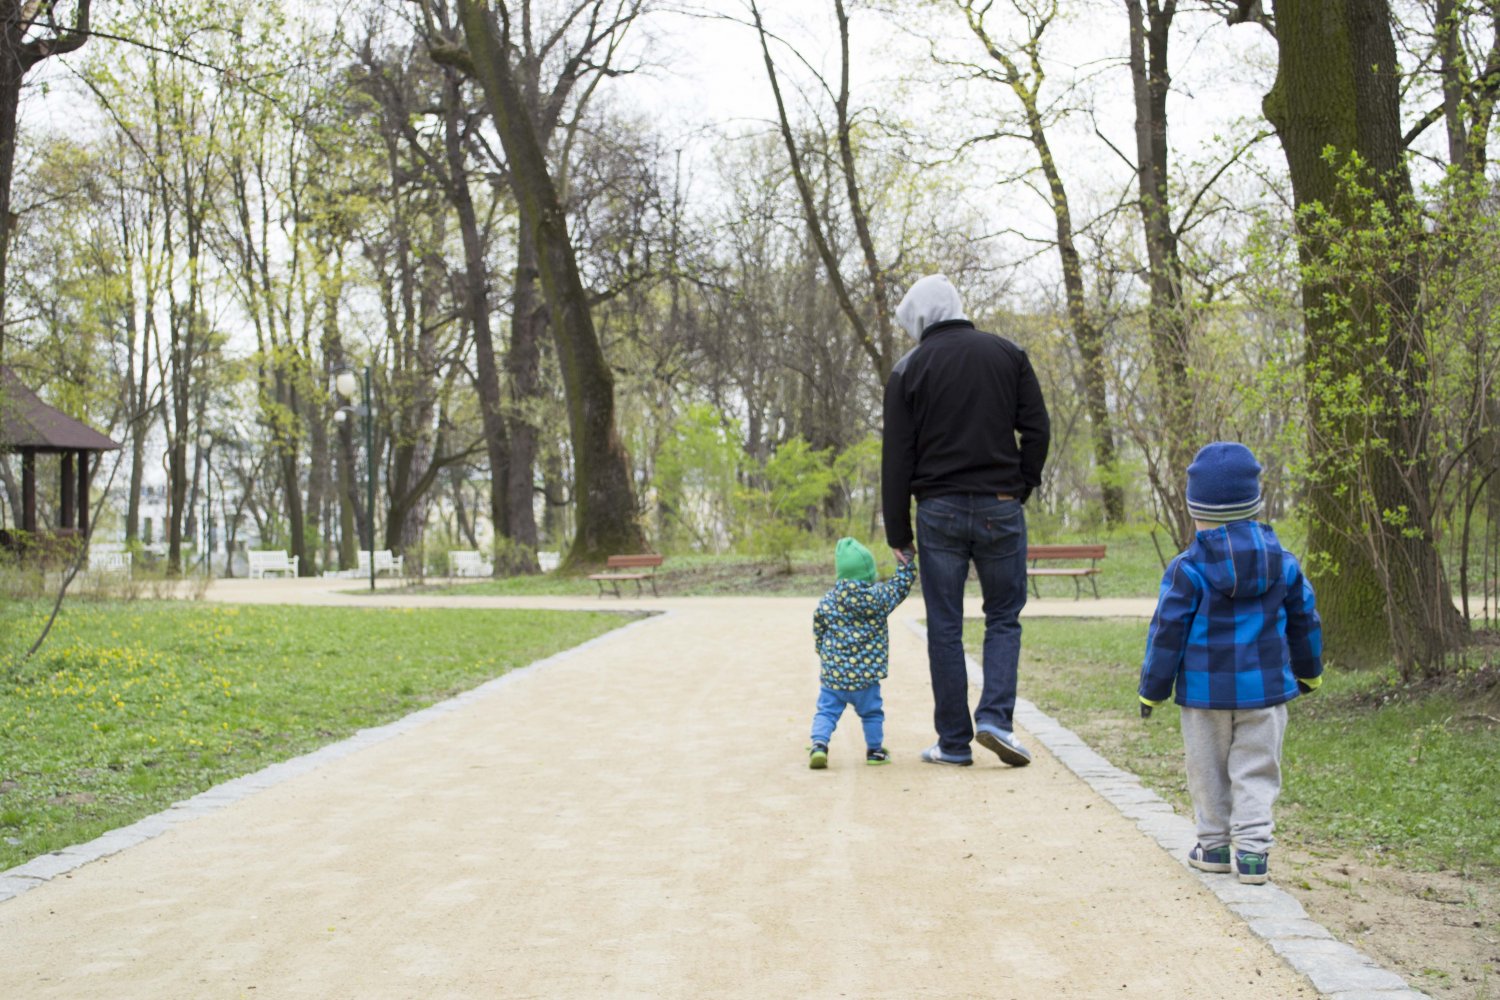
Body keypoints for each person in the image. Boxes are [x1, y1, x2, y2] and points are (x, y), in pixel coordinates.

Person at [881, 274, 1050, 767]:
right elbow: (1037, 428)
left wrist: (898, 531)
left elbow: (897, 457)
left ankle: (953, 743)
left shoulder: (908, 369)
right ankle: (996, 719)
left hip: (938, 510)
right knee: (1002, 617)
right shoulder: (1008, 354)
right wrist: (1022, 484)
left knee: (945, 626)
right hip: (1000, 503)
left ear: (919, 320)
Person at [1138, 442, 1324, 885]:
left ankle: (1214, 846)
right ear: (1255, 504)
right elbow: (1305, 620)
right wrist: (1309, 670)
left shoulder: (1188, 569)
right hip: (1266, 691)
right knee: (1257, 770)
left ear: (1194, 510)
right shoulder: (1284, 564)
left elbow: (1166, 632)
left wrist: (1153, 688)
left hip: (1205, 695)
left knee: (1206, 769)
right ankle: (1254, 855)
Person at [809, 537, 917, 769]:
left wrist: (823, 653)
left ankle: (819, 745)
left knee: (826, 712)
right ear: (869, 571)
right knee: (872, 714)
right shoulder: (877, 598)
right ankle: (875, 751)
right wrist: (906, 562)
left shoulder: (828, 601)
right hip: (866, 678)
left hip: (834, 675)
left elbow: (818, 629)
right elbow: (900, 587)